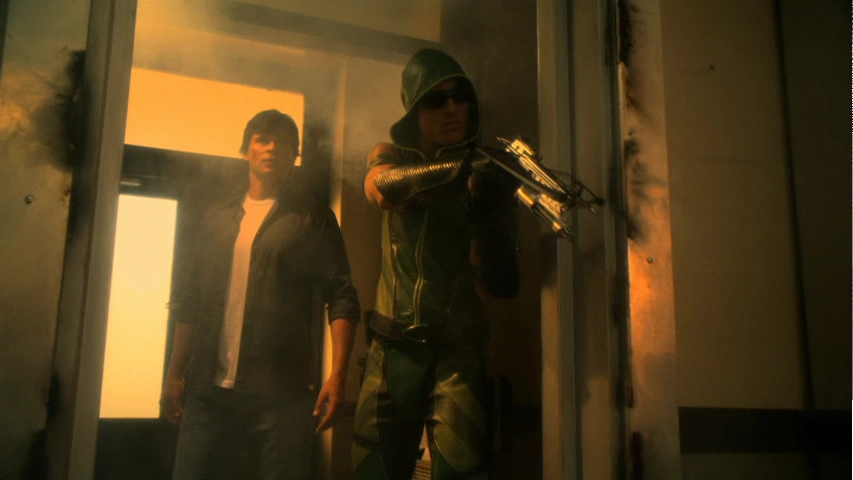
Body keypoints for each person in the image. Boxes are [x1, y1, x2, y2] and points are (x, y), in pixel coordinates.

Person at [160, 109, 361, 480]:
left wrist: (338, 377)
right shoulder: (218, 217)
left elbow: (342, 297)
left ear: (294, 156)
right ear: (246, 150)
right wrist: (175, 373)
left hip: (280, 397)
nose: (272, 148)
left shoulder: (312, 220)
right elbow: (191, 298)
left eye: (283, 143)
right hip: (208, 394)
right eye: (263, 139)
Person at [352, 48, 520, 479]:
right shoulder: (390, 154)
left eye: (460, 96)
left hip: (457, 351)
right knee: (374, 470)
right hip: (392, 348)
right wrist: (458, 171)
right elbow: (382, 188)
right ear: (414, 109)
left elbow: (501, 284)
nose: (452, 108)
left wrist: (496, 210)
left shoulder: (483, 172)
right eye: (436, 99)